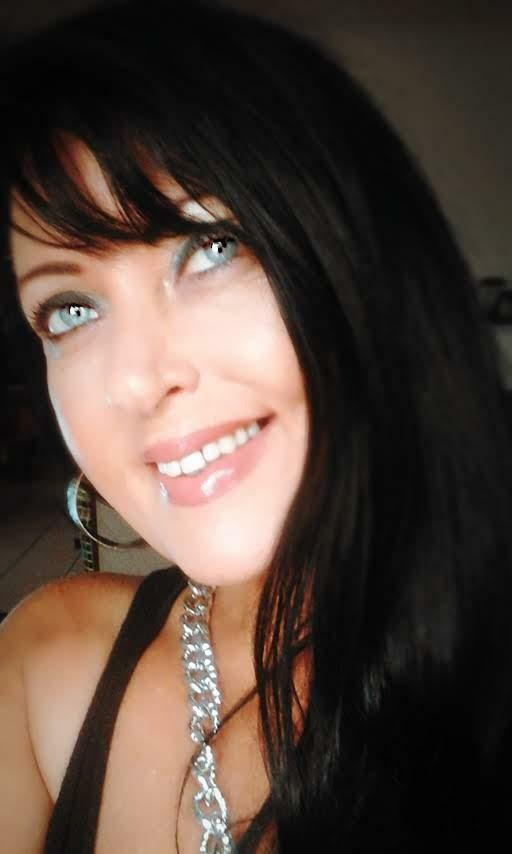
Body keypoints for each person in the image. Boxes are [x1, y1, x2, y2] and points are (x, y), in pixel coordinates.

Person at [1, 1, 512, 851]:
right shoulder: (40, 666)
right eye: (70, 309)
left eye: (209, 248)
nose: (134, 379)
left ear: (364, 258)